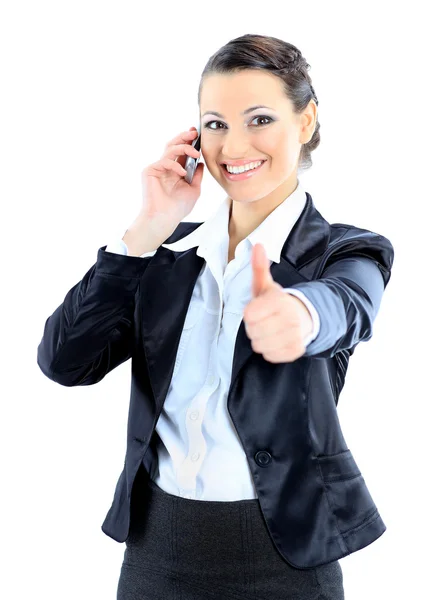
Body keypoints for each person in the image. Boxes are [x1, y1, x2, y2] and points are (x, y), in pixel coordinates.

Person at [37, 34, 394, 600]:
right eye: (216, 123)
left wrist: (300, 313)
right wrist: (146, 230)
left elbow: (347, 305)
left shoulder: (347, 252)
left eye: (259, 119)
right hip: (157, 552)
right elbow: (64, 362)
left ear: (305, 122)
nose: (233, 145)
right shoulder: (164, 253)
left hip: (285, 560)